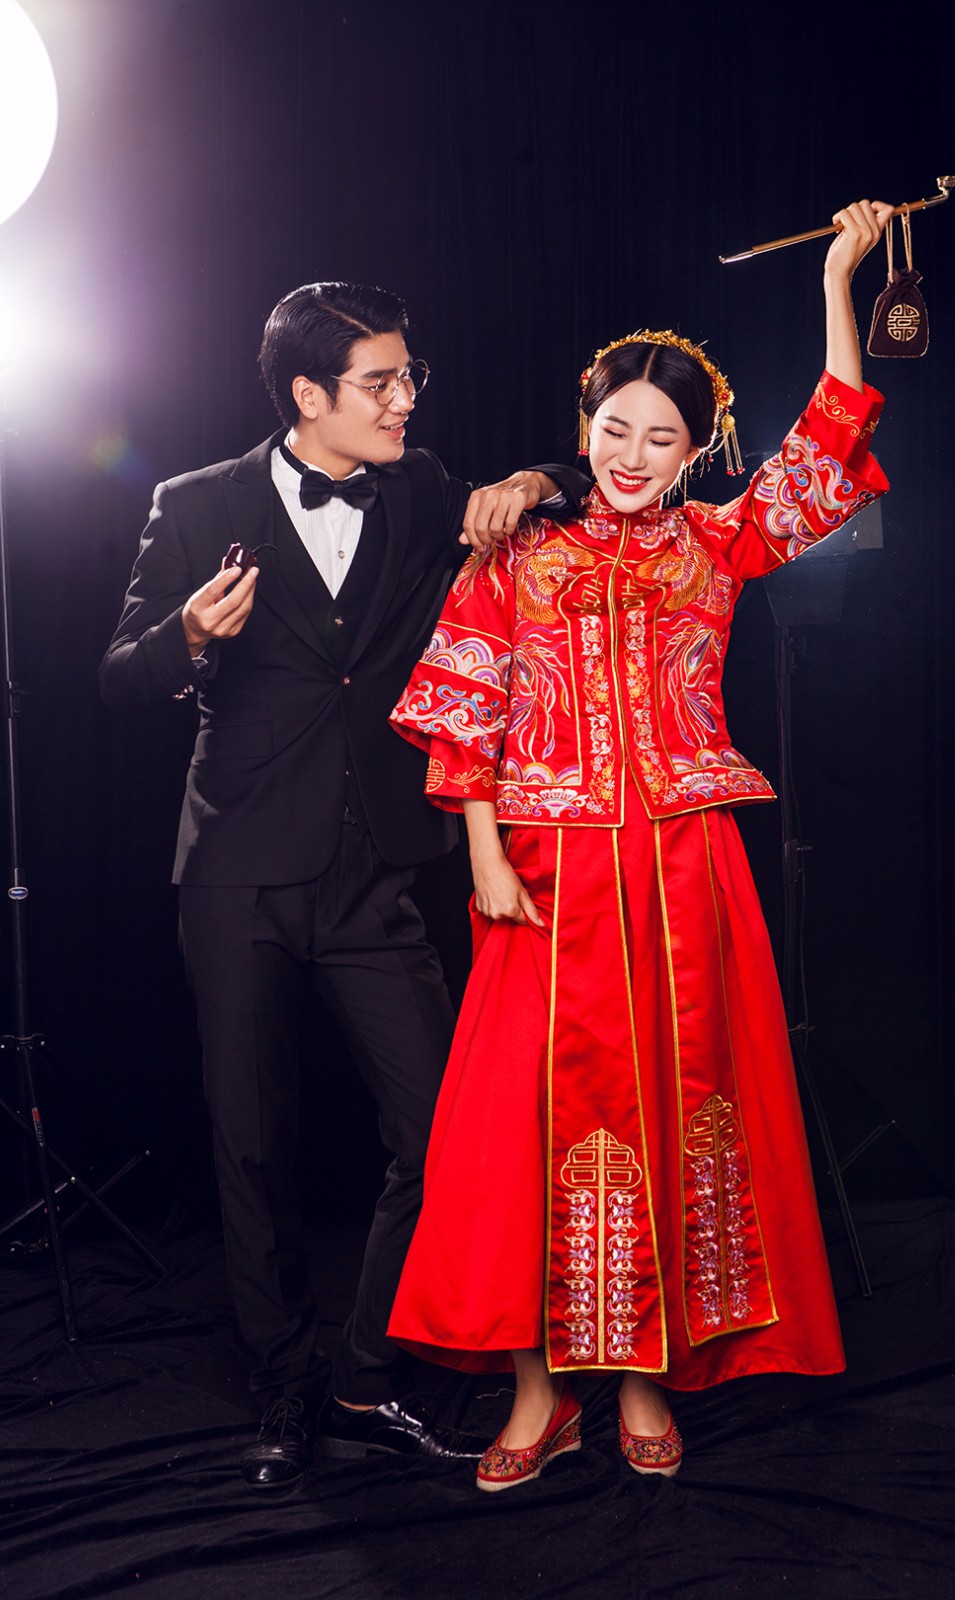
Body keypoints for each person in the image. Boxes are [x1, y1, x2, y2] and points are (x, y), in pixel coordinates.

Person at [386, 202, 893, 1489]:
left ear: (693, 449)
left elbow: (828, 443)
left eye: (661, 436)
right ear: (584, 426)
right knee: (520, 1130)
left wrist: (837, 281)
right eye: (615, 427)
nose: (631, 453)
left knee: (677, 1110)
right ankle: (534, 1394)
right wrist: (484, 856)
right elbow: (463, 714)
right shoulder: (515, 550)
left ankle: (644, 1377)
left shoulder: (716, 543)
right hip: (544, 873)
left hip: (683, 867)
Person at [99, 280, 588, 1491]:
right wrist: (189, 638)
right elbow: (117, 677)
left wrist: (531, 480)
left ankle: (366, 1378)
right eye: (383, 381)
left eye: (411, 375)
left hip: (377, 865)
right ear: (309, 394)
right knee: (252, 1143)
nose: (406, 397)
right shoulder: (193, 501)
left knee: (441, 1132)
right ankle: (282, 1384)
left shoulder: (417, 486)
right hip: (237, 869)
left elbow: (563, 487)